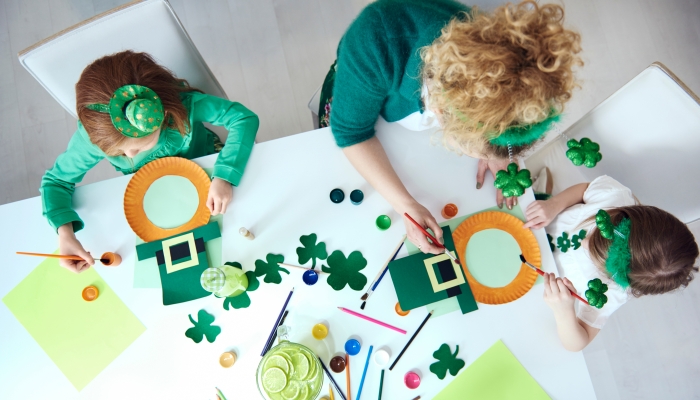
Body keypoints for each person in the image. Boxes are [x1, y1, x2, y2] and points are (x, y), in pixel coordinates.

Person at [320, 0, 582, 254]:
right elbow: (351, 133)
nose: (484, 158)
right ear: (442, 111)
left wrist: (501, 152)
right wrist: (406, 205)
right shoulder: (375, 41)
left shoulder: (495, 61)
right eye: (478, 151)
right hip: (356, 99)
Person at [41, 51, 259, 273]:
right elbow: (55, 182)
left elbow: (243, 118)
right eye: (118, 151)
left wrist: (224, 175)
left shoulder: (185, 107)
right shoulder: (94, 136)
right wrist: (64, 232)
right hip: (159, 200)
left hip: (212, 176)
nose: (130, 154)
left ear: (163, 115)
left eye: (140, 146)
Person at [524, 176, 699, 351]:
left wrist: (563, 312)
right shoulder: (615, 198)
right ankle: (544, 189)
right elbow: (585, 190)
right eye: (596, 233)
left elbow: (578, 343)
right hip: (536, 221)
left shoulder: (611, 292)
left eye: (595, 254)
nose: (583, 243)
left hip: (528, 279)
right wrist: (554, 204)